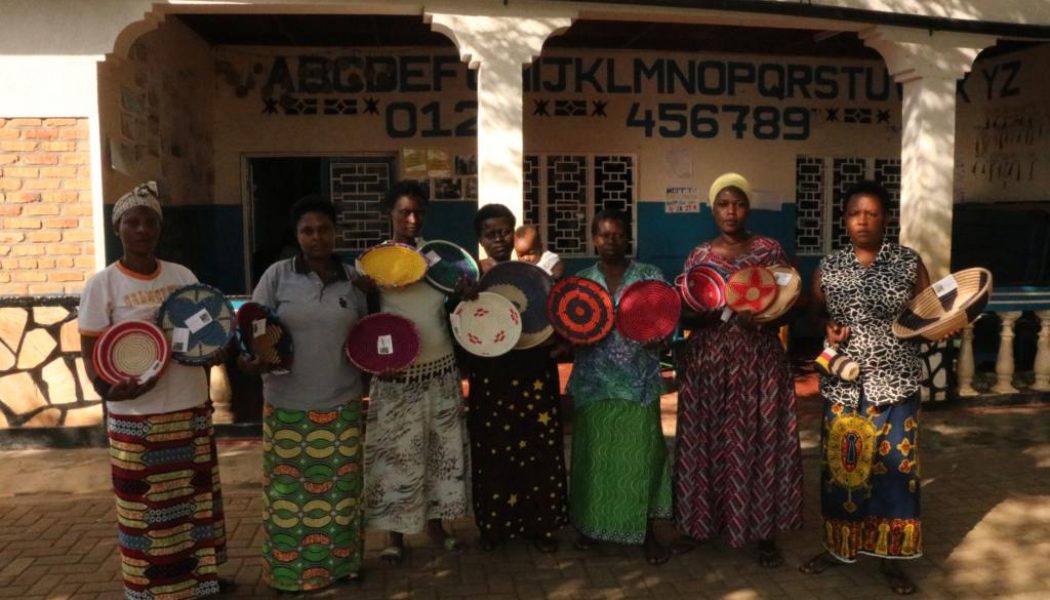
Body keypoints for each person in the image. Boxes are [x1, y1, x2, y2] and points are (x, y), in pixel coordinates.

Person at [78, 181, 232, 599]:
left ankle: (201, 581)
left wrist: (212, 353)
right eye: (132, 221)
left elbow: (206, 330)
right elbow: (93, 352)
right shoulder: (103, 285)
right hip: (136, 416)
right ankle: (151, 588)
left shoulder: (181, 275)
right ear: (118, 228)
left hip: (189, 404)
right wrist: (108, 391)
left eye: (149, 221)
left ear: (159, 228)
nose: (142, 229)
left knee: (194, 499)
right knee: (146, 507)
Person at [800, 181, 933, 596]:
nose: (863, 220)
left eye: (872, 213)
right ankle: (840, 548)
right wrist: (826, 326)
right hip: (844, 386)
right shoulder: (830, 266)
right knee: (843, 471)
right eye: (855, 213)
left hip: (896, 385)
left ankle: (891, 559)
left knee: (895, 474)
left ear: (885, 219)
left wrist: (939, 329)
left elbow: (929, 314)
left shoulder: (908, 263)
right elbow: (813, 313)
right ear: (844, 220)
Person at [673, 172, 803, 567]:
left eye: (739, 203)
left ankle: (764, 533)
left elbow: (789, 298)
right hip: (708, 366)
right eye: (723, 204)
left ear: (748, 206)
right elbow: (685, 311)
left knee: (760, 445)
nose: (731, 211)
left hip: (758, 364)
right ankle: (698, 526)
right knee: (704, 445)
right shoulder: (699, 257)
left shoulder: (768, 250)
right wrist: (700, 317)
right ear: (712, 209)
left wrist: (765, 320)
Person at [242, 196, 368, 592]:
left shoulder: (354, 280)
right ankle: (288, 574)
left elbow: (367, 337)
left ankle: (341, 566)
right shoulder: (278, 276)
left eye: (324, 229)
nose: (317, 238)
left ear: (336, 232)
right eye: (307, 231)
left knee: (342, 495)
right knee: (288, 499)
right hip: (287, 406)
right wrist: (252, 359)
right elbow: (252, 327)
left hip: (342, 403)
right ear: (297, 236)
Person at [362, 181, 470, 564]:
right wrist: (377, 366)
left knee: (442, 454)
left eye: (418, 212)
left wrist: (465, 293)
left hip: (441, 371)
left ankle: (438, 528)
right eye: (404, 211)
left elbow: (456, 308)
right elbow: (365, 325)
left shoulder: (438, 259)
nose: (411, 219)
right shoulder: (371, 267)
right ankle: (395, 537)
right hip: (396, 378)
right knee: (397, 458)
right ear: (388, 214)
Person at [568, 209, 673, 565]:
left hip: (638, 384)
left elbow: (665, 324)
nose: (610, 240)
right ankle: (589, 525)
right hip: (594, 385)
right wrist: (573, 338)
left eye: (617, 234)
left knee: (641, 459)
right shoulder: (582, 282)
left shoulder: (650, 277)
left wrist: (658, 337)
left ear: (628, 237)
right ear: (593, 239)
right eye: (603, 234)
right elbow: (569, 329)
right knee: (594, 460)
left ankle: (644, 532)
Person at [464, 204, 568, 553]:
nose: (498, 238)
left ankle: (542, 526)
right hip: (491, 376)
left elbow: (555, 316)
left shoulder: (536, 275)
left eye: (504, 231)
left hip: (533, 371)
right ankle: (494, 527)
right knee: (493, 450)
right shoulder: (471, 277)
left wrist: (559, 340)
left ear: (513, 232)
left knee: (539, 448)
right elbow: (460, 324)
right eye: (490, 233)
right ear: (479, 238)